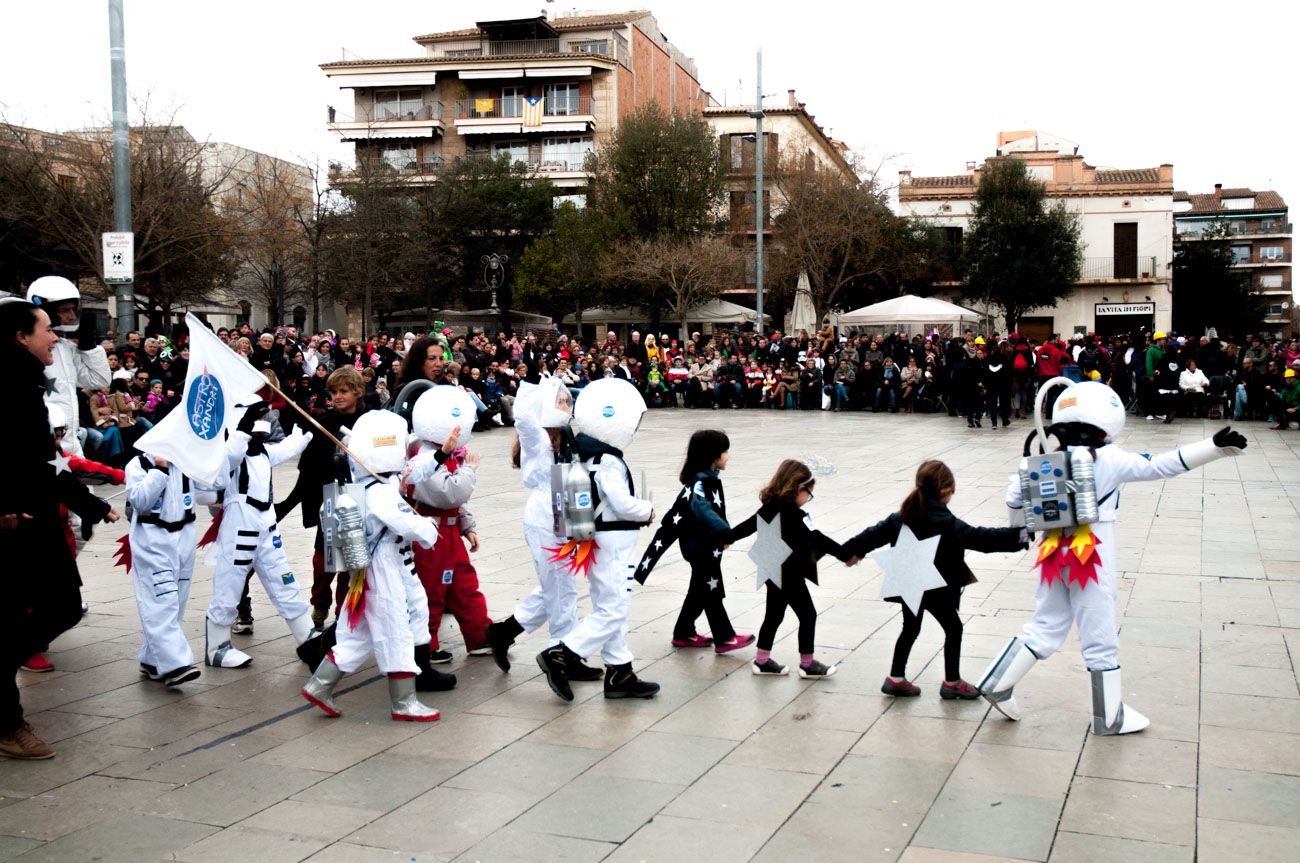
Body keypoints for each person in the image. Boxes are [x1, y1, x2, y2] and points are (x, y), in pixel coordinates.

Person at [978, 380, 1248, 735]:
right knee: (1099, 631)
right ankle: (1109, 716)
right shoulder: (1110, 458)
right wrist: (1212, 447)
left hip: (1052, 549)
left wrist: (1022, 531)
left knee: (1045, 623)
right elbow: (1162, 465)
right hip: (1093, 550)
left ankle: (998, 681)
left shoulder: (1046, 459)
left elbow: (1014, 497)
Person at [0, 300, 118, 759]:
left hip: (39, 516)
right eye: (47, 329)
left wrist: (88, 504)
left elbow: (44, 460)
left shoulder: (27, 386)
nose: (55, 337)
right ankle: (8, 723)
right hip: (13, 526)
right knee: (29, 612)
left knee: (64, 605)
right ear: (19, 336)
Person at [300, 410, 442, 722]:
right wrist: (429, 527)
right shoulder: (380, 492)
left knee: (357, 633)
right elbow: (406, 524)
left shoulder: (372, 485)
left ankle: (319, 684)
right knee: (396, 630)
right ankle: (404, 701)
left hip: (370, 569)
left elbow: (410, 474)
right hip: (384, 568)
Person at [845, 461, 1024, 698]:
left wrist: (850, 551)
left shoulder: (901, 516)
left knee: (910, 628)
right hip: (935, 586)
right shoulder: (946, 522)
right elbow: (980, 538)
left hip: (909, 585)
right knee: (954, 629)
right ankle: (952, 682)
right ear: (945, 490)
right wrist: (1018, 537)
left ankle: (896, 678)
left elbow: (871, 535)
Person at [537, 378, 658, 701]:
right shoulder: (608, 460)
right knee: (614, 609)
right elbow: (620, 502)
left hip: (597, 538)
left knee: (611, 604)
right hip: (612, 541)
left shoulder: (585, 454)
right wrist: (646, 509)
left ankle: (620, 670)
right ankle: (562, 654)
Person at [485, 379, 601, 680]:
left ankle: (505, 631)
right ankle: (561, 655)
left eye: (566, 402)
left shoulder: (564, 435)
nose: (566, 407)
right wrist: (533, 387)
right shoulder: (537, 435)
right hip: (543, 514)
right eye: (560, 402)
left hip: (564, 506)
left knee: (559, 585)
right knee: (561, 589)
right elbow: (523, 417)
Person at [204, 402, 315, 667]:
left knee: (285, 581)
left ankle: (306, 634)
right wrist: (241, 431)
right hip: (239, 529)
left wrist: (306, 428)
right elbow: (220, 471)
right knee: (229, 587)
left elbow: (289, 447)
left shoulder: (263, 452)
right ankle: (216, 646)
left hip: (267, 530)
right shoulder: (229, 456)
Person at [728, 459, 854, 679]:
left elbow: (747, 526)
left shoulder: (770, 507)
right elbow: (818, 538)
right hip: (790, 573)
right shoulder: (795, 514)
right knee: (808, 615)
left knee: (774, 615)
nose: (808, 500)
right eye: (809, 494)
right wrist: (845, 554)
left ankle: (762, 660)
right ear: (798, 487)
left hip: (772, 570)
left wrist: (724, 538)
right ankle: (807, 664)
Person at [637, 430, 755, 653]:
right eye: (725, 451)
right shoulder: (702, 482)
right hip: (701, 547)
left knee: (699, 589)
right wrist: (725, 532)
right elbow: (702, 508)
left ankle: (684, 633)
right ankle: (725, 638)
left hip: (702, 546)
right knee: (711, 591)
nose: (728, 456)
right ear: (713, 455)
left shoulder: (707, 479)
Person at [407, 386, 493, 663]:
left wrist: (467, 526)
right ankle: (426, 643)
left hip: (450, 532)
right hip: (430, 534)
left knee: (464, 584)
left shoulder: (445, 455)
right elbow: (448, 493)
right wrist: (470, 469)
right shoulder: (423, 457)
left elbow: (456, 502)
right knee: (431, 588)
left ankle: (480, 634)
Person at [125, 452, 201, 687]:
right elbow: (139, 500)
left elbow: (211, 491)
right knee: (162, 599)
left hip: (184, 537)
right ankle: (175, 663)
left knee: (177, 599)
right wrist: (159, 470)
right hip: (153, 539)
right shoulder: (138, 464)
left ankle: (151, 659)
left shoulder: (187, 462)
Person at [26, 276, 111, 458]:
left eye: (73, 309)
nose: (71, 316)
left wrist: (90, 347)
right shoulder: (28, 351)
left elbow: (99, 380)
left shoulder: (67, 348)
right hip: (46, 448)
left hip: (72, 445)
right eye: (64, 310)